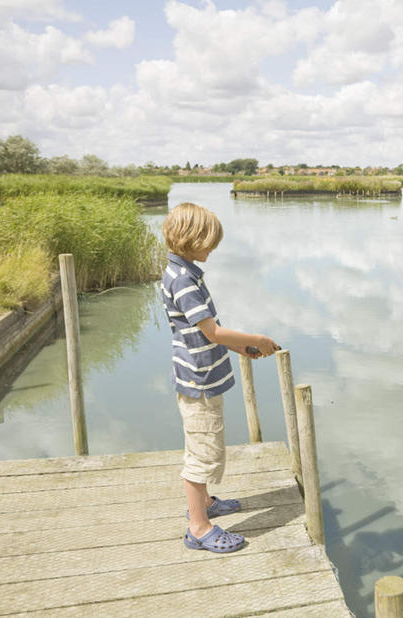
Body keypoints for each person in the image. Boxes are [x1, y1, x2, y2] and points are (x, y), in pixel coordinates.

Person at [161, 202, 280, 553]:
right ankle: (199, 527)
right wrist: (253, 340)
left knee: (205, 444)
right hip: (198, 381)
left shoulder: (185, 272)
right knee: (202, 455)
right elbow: (212, 332)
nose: (212, 248)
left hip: (201, 376)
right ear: (189, 239)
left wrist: (238, 349)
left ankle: (207, 503)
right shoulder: (184, 281)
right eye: (208, 242)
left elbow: (201, 333)